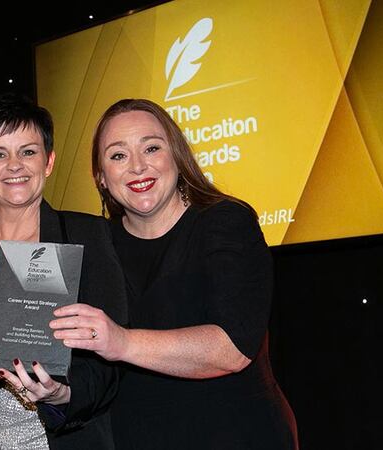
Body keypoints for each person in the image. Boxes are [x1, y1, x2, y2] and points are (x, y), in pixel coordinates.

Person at [50, 98, 298, 449]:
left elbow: (233, 349)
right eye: (118, 155)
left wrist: (121, 341)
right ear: (101, 178)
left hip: (237, 435)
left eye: (151, 148)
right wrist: (59, 391)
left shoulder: (225, 222)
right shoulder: (95, 245)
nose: (137, 166)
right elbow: (95, 372)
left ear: (177, 158)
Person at [0, 93, 128, 449]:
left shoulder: (88, 235)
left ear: (49, 161)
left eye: (28, 152)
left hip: (56, 439)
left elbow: (110, 361)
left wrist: (63, 393)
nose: (14, 165)